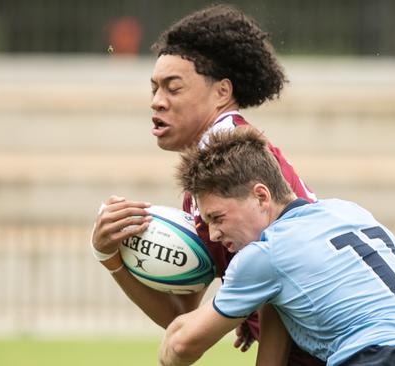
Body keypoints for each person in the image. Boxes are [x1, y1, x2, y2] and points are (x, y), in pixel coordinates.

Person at [89, 4, 322, 365]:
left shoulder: (237, 162)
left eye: (173, 88)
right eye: (154, 88)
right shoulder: (208, 176)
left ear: (221, 92)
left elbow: (283, 277)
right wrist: (111, 256)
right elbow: (182, 316)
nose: (157, 102)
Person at [159, 128, 395, 366]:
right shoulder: (347, 211)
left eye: (217, 217)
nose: (213, 233)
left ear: (261, 196)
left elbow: (184, 345)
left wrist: (168, 348)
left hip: (375, 358)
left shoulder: (266, 254)